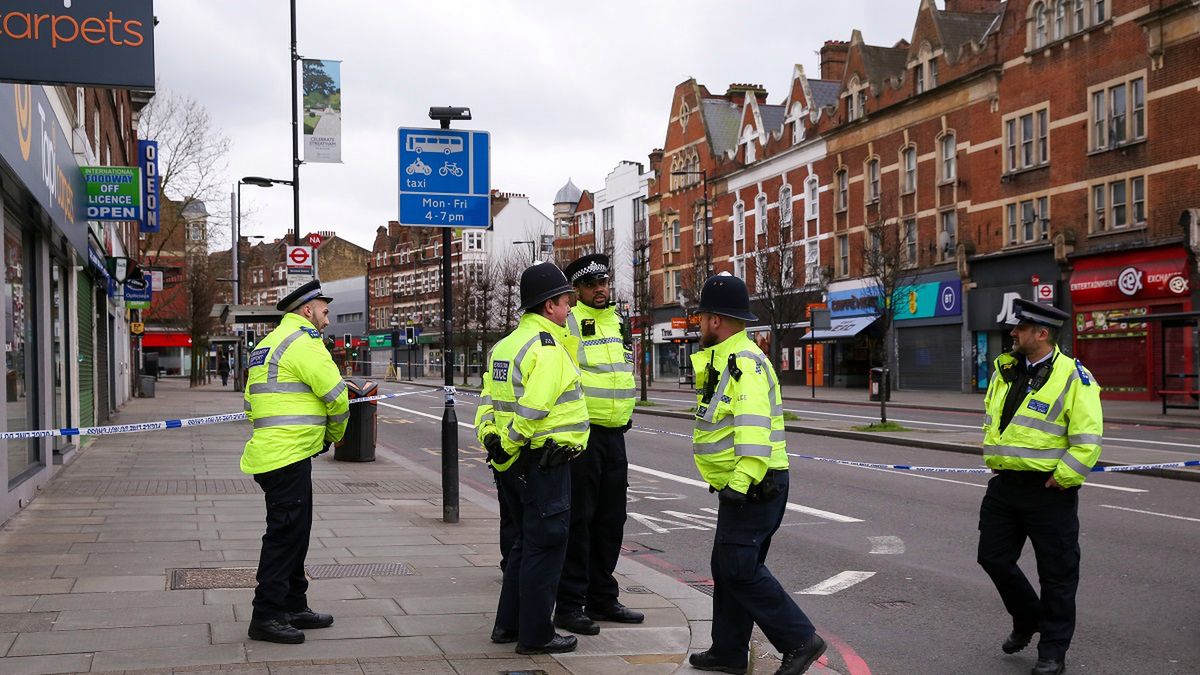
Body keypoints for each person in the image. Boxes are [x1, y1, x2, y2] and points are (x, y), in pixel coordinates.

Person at [686, 272, 826, 675]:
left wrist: (740, 481)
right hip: (745, 483)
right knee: (727, 566)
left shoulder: (743, 363)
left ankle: (800, 640)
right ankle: (728, 652)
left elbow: (752, 426)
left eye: (702, 318)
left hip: (753, 485)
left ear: (715, 320)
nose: (699, 324)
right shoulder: (727, 359)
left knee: (738, 568)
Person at [978, 298, 1103, 675]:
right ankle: (1029, 617)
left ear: (1042, 333)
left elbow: (1088, 438)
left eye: (1021, 328)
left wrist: (1064, 476)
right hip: (1005, 485)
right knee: (992, 558)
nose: (1013, 333)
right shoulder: (1005, 370)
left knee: (1057, 574)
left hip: (1049, 490)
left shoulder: (1074, 376)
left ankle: (1052, 652)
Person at [475, 261, 590, 655]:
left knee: (524, 544)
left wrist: (491, 439)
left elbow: (487, 400)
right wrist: (511, 443)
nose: (570, 308)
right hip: (543, 462)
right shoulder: (547, 348)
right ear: (548, 306)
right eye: (565, 301)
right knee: (546, 546)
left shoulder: (505, 346)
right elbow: (534, 409)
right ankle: (537, 635)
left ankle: (507, 626)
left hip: (512, 464)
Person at [240, 278, 350, 644]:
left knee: (295, 533)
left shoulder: (268, 344)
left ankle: (293, 604)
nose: (327, 319)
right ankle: (267, 615)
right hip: (288, 454)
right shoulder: (304, 342)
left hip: (274, 452)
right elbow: (337, 396)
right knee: (285, 536)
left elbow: (250, 402)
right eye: (324, 311)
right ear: (307, 310)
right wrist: (333, 435)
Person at [553, 253, 642, 636]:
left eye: (603, 282)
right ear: (577, 290)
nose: (600, 289)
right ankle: (570, 604)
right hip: (583, 435)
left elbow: (621, 372)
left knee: (611, 520)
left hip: (615, 435)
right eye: (591, 285)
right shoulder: (568, 323)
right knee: (580, 521)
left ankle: (603, 598)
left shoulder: (620, 322)